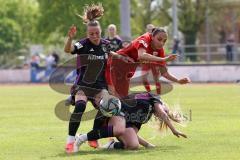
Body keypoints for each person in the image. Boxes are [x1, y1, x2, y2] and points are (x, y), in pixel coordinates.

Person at [63, 3, 132, 154]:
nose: (94, 36)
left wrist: (122, 57)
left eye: (97, 33)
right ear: (87, 34)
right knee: (80, 106)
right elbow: (68, 50)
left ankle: (93, 136)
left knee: (106, 108)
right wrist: (69, 38)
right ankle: (70, 141)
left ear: (101, 32)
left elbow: (110, 54)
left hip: (99, 87)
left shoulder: (106, 44)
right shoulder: (83, 44)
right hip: (83, 85)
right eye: (91, 34)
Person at [74, 92, 187, 150]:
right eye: (165, 112)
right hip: (113, 111)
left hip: (120, 120)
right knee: (119, 128)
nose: (161, 115)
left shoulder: (144, 117)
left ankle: (111, 146)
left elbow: (133, 134)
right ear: (163, 105)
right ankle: (82, 138)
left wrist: (148, 145)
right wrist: (174, 130)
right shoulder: (155, 99)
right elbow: (162, 112)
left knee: (133, 146)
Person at [108, 27, 189, 97]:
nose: (162, 43)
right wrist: (164, 59)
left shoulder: (160, 50)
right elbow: (141, 55)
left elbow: (164, 73)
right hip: (117, 63)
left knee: (122, 100)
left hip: (127, 70)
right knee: (117, 99)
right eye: (159, 39)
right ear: (152, 37)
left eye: (164, 41)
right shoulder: (145, 38)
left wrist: (178, 81)